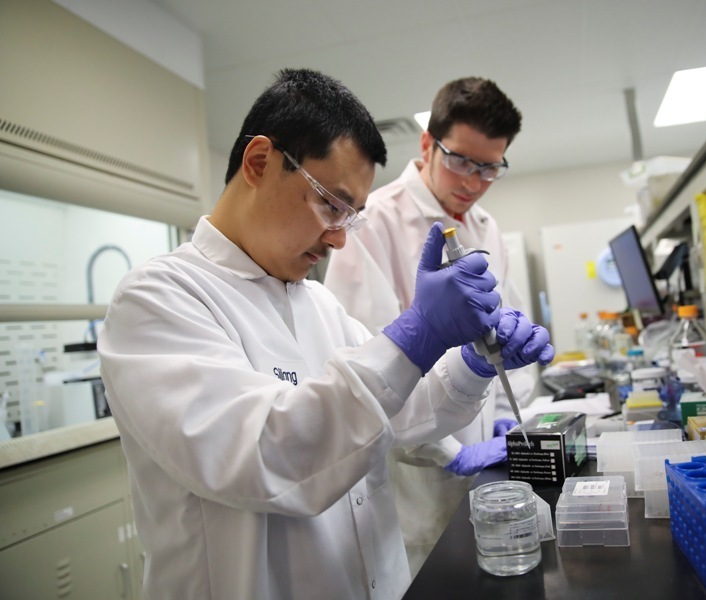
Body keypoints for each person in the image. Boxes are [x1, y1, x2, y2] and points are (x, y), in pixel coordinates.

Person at [97, 68, 553, 600]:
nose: (338, 239)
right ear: (259, 162)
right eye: (331, 205)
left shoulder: (317, 302)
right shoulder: (156, 300)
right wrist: (418, 334)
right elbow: (263, 455)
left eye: (351, 217)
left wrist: (471, 368)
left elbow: (397, 411)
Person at [323, 77, 540, 576]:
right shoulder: (372, 221)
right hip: (412, 471)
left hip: (485, 461)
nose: (473, 182)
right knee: (432, 575)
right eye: (461, 161)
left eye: (489, 168)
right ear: (427, 144)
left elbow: (502, 332)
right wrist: (449, 450)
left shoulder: (486, 227)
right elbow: (366, 369)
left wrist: (506, 417)